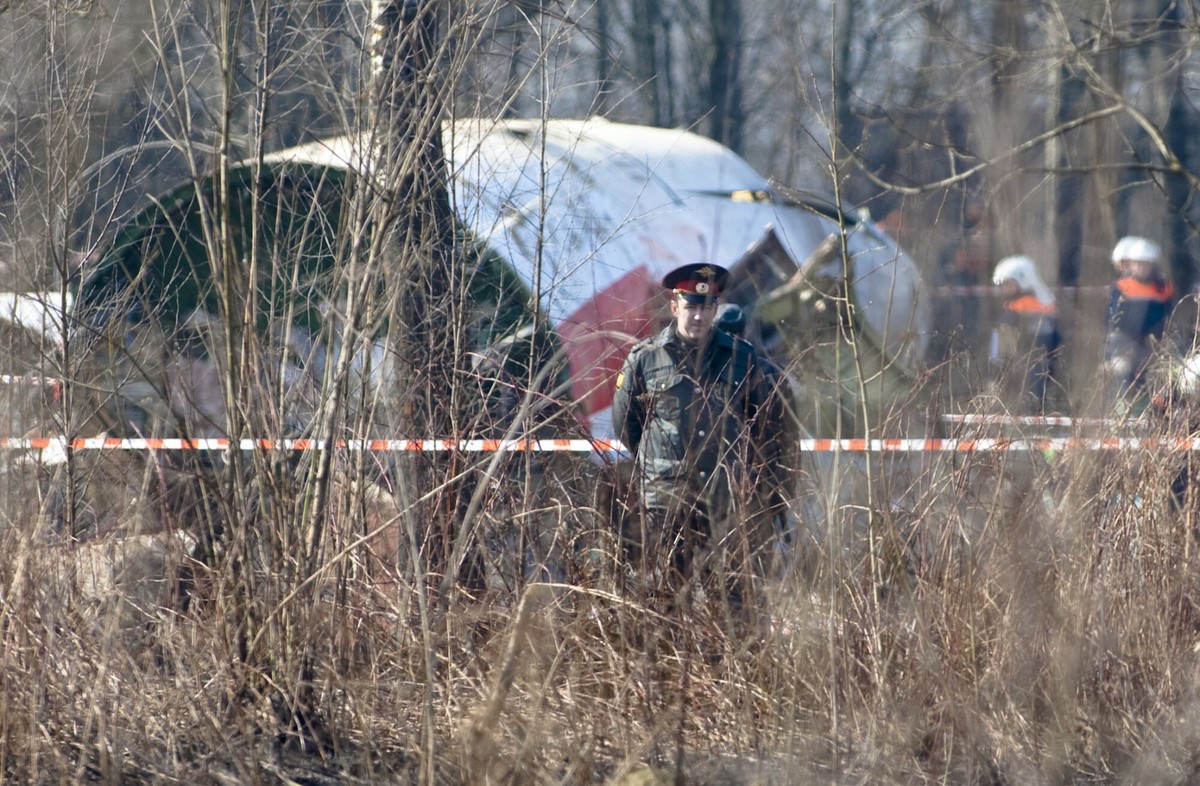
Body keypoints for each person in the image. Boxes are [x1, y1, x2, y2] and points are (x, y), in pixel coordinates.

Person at [611, 263, 787, 618]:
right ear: (675, 307)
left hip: (725, 503)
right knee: (666, 605)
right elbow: (627, 427)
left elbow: (761, 426)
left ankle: (728, 672)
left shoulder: (741, 359)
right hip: (666, 504)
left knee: (735, 606)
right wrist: (662, 468)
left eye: (708, 307)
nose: (700, 315)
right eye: (692, 306)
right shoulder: (645, 360)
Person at [1104, 235, 1175, 408]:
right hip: (1126, 345)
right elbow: (1113, 321)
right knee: (1123, 373)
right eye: (1138, 263)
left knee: (1163, 380)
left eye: (1146, 263)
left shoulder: (1164, 288)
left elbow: (1171, 317)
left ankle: (1155, 416)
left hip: (1154, 347)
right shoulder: (1122, 286)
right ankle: (1123, 414)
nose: (1141, 267)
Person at [988, 255, 1063, 414]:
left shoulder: (1016, 310)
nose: (1004, 289)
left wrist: (997, 378)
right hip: (1044, 374)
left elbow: (1002, 352)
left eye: (1007, 284)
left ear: (1023, 281)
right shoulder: (1047, 306)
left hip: (1021, 377)